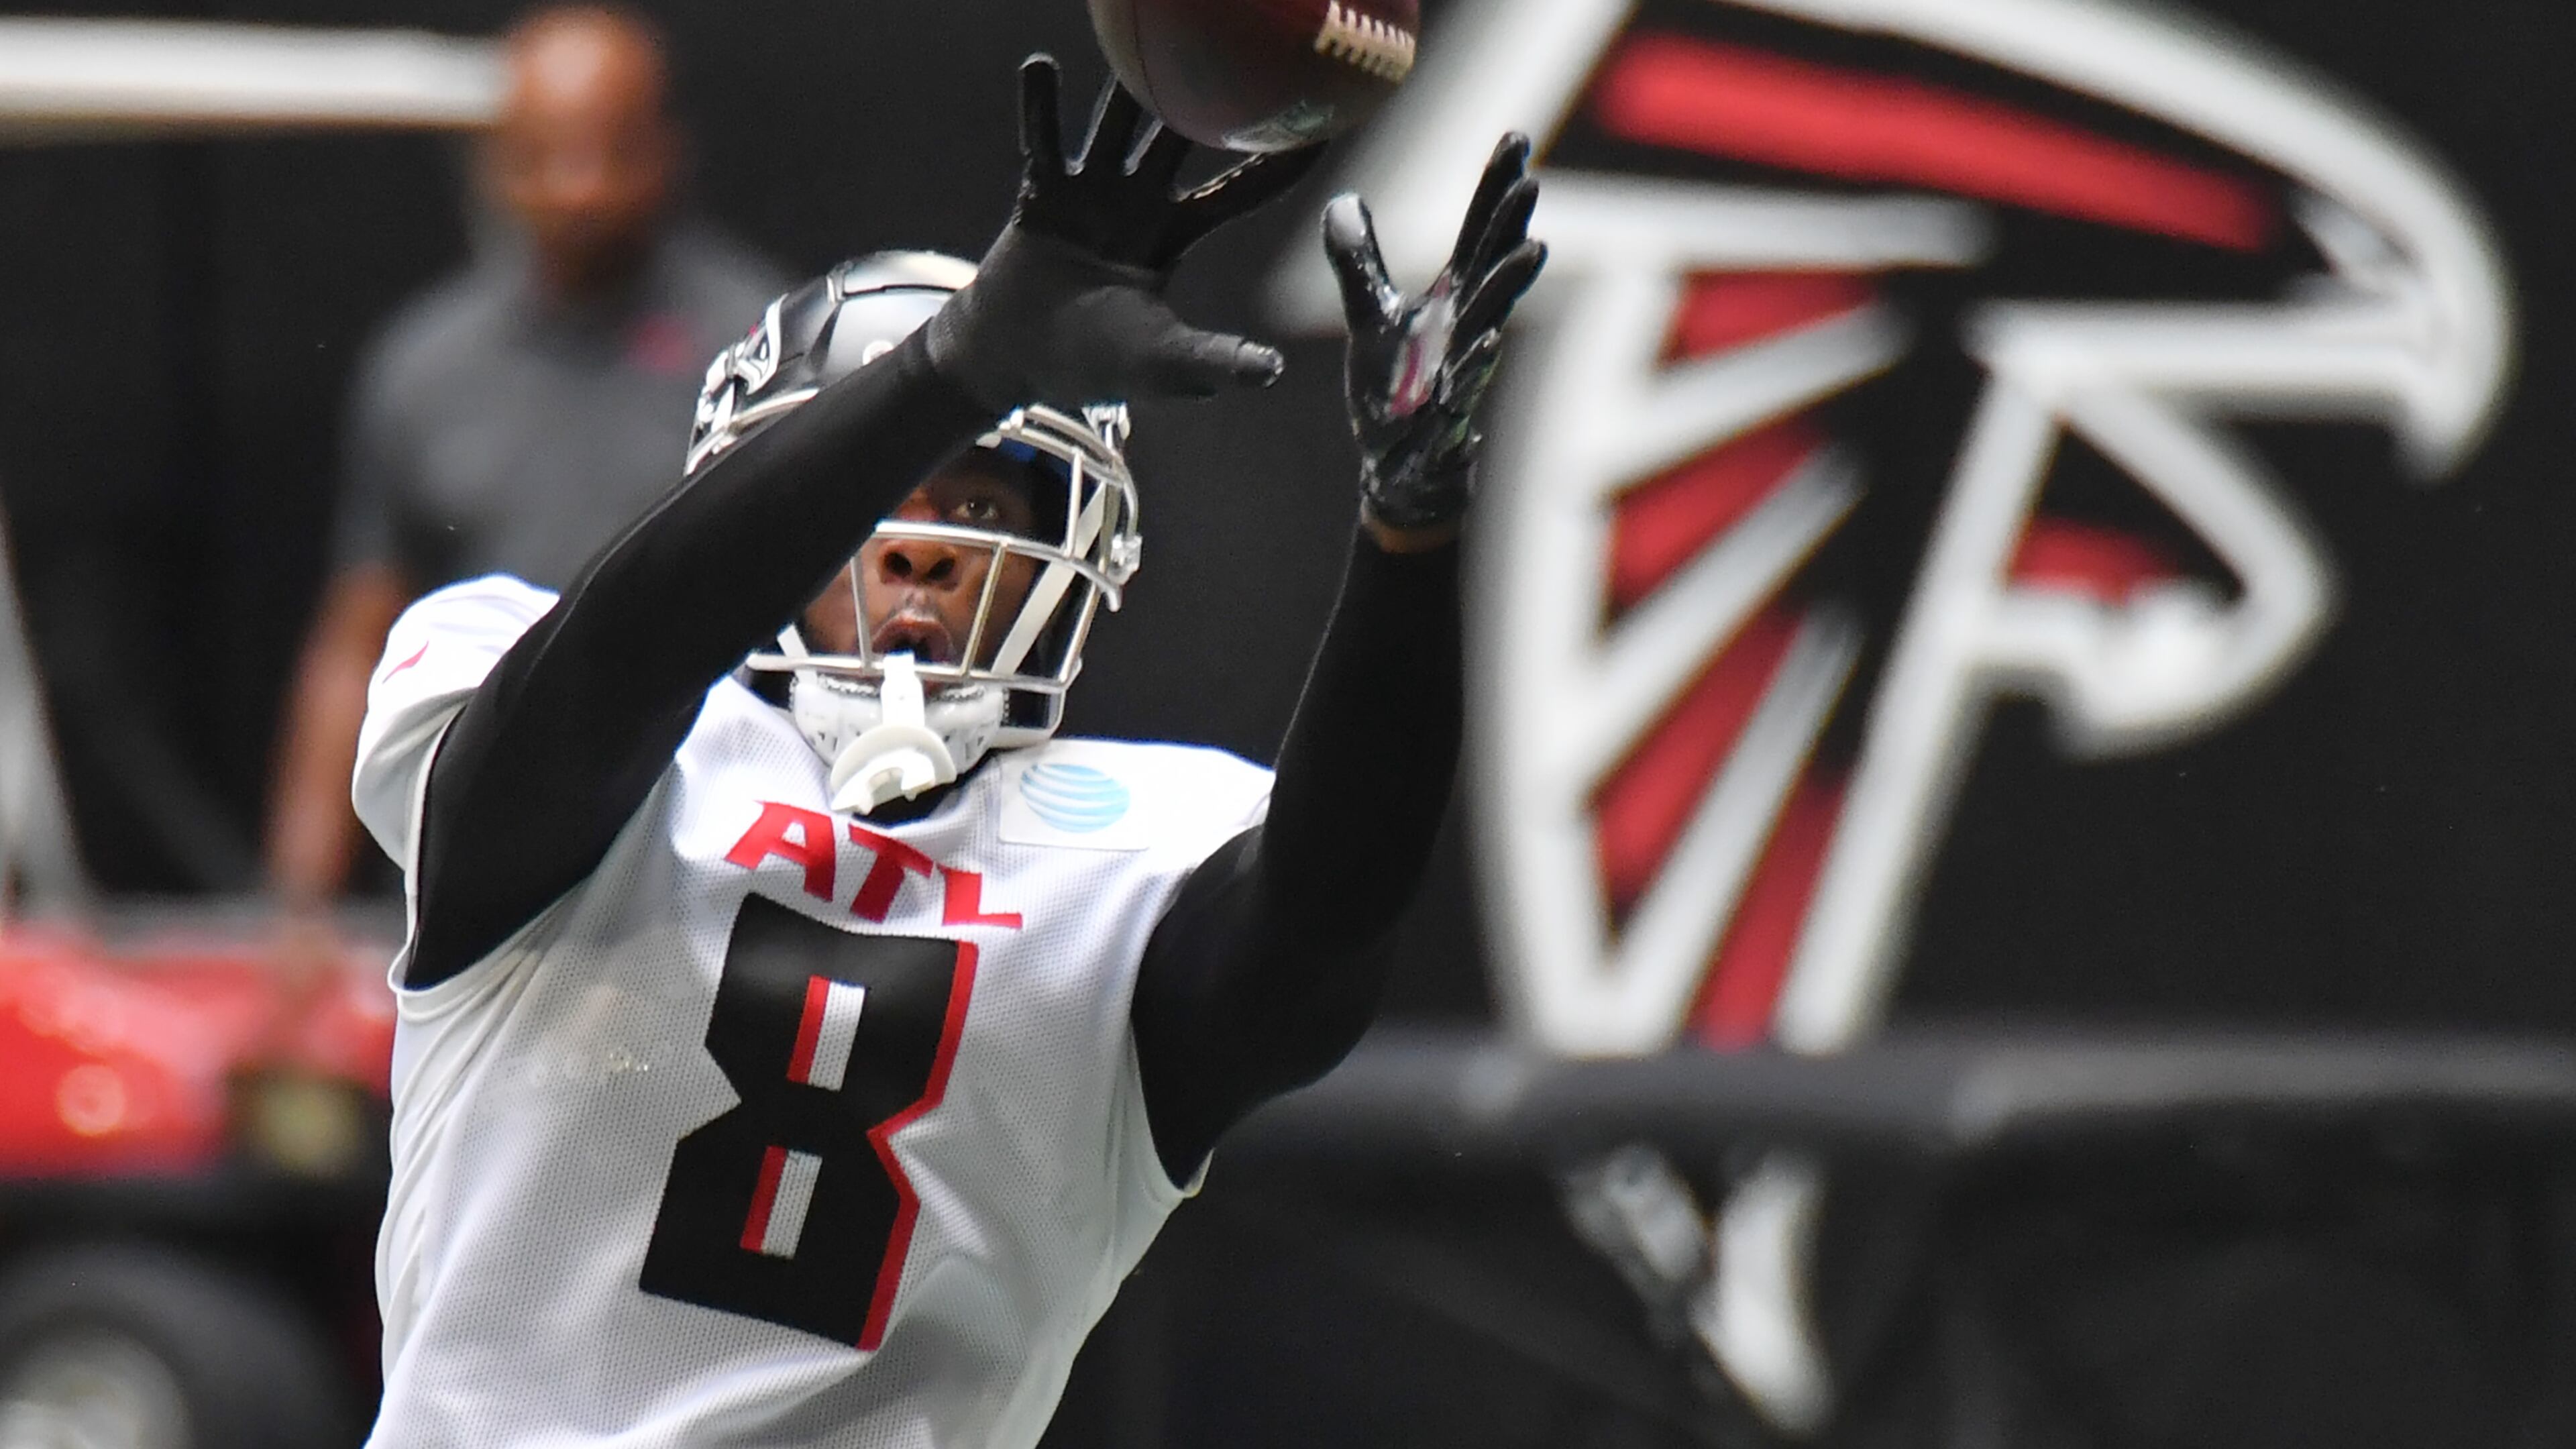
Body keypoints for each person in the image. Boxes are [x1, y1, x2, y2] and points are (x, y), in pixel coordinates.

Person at [352, 54, 1544, 1448]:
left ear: (1084, 549)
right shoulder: (562, 703)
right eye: (882, 489)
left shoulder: (1134, 855)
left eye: (979, 489)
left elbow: (1332, 912)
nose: (919, 540)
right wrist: (954, 370)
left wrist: (1409, 540)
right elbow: (609, 674)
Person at [267, 3, 784, 911]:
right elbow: (357, 635)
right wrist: (297, 905)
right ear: (495, 166)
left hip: (707, 847)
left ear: (666, 150)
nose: (579, 189)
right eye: (546, 156)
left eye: (608, 150)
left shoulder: (762, 343)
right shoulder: (425, 365)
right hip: (480, 857)